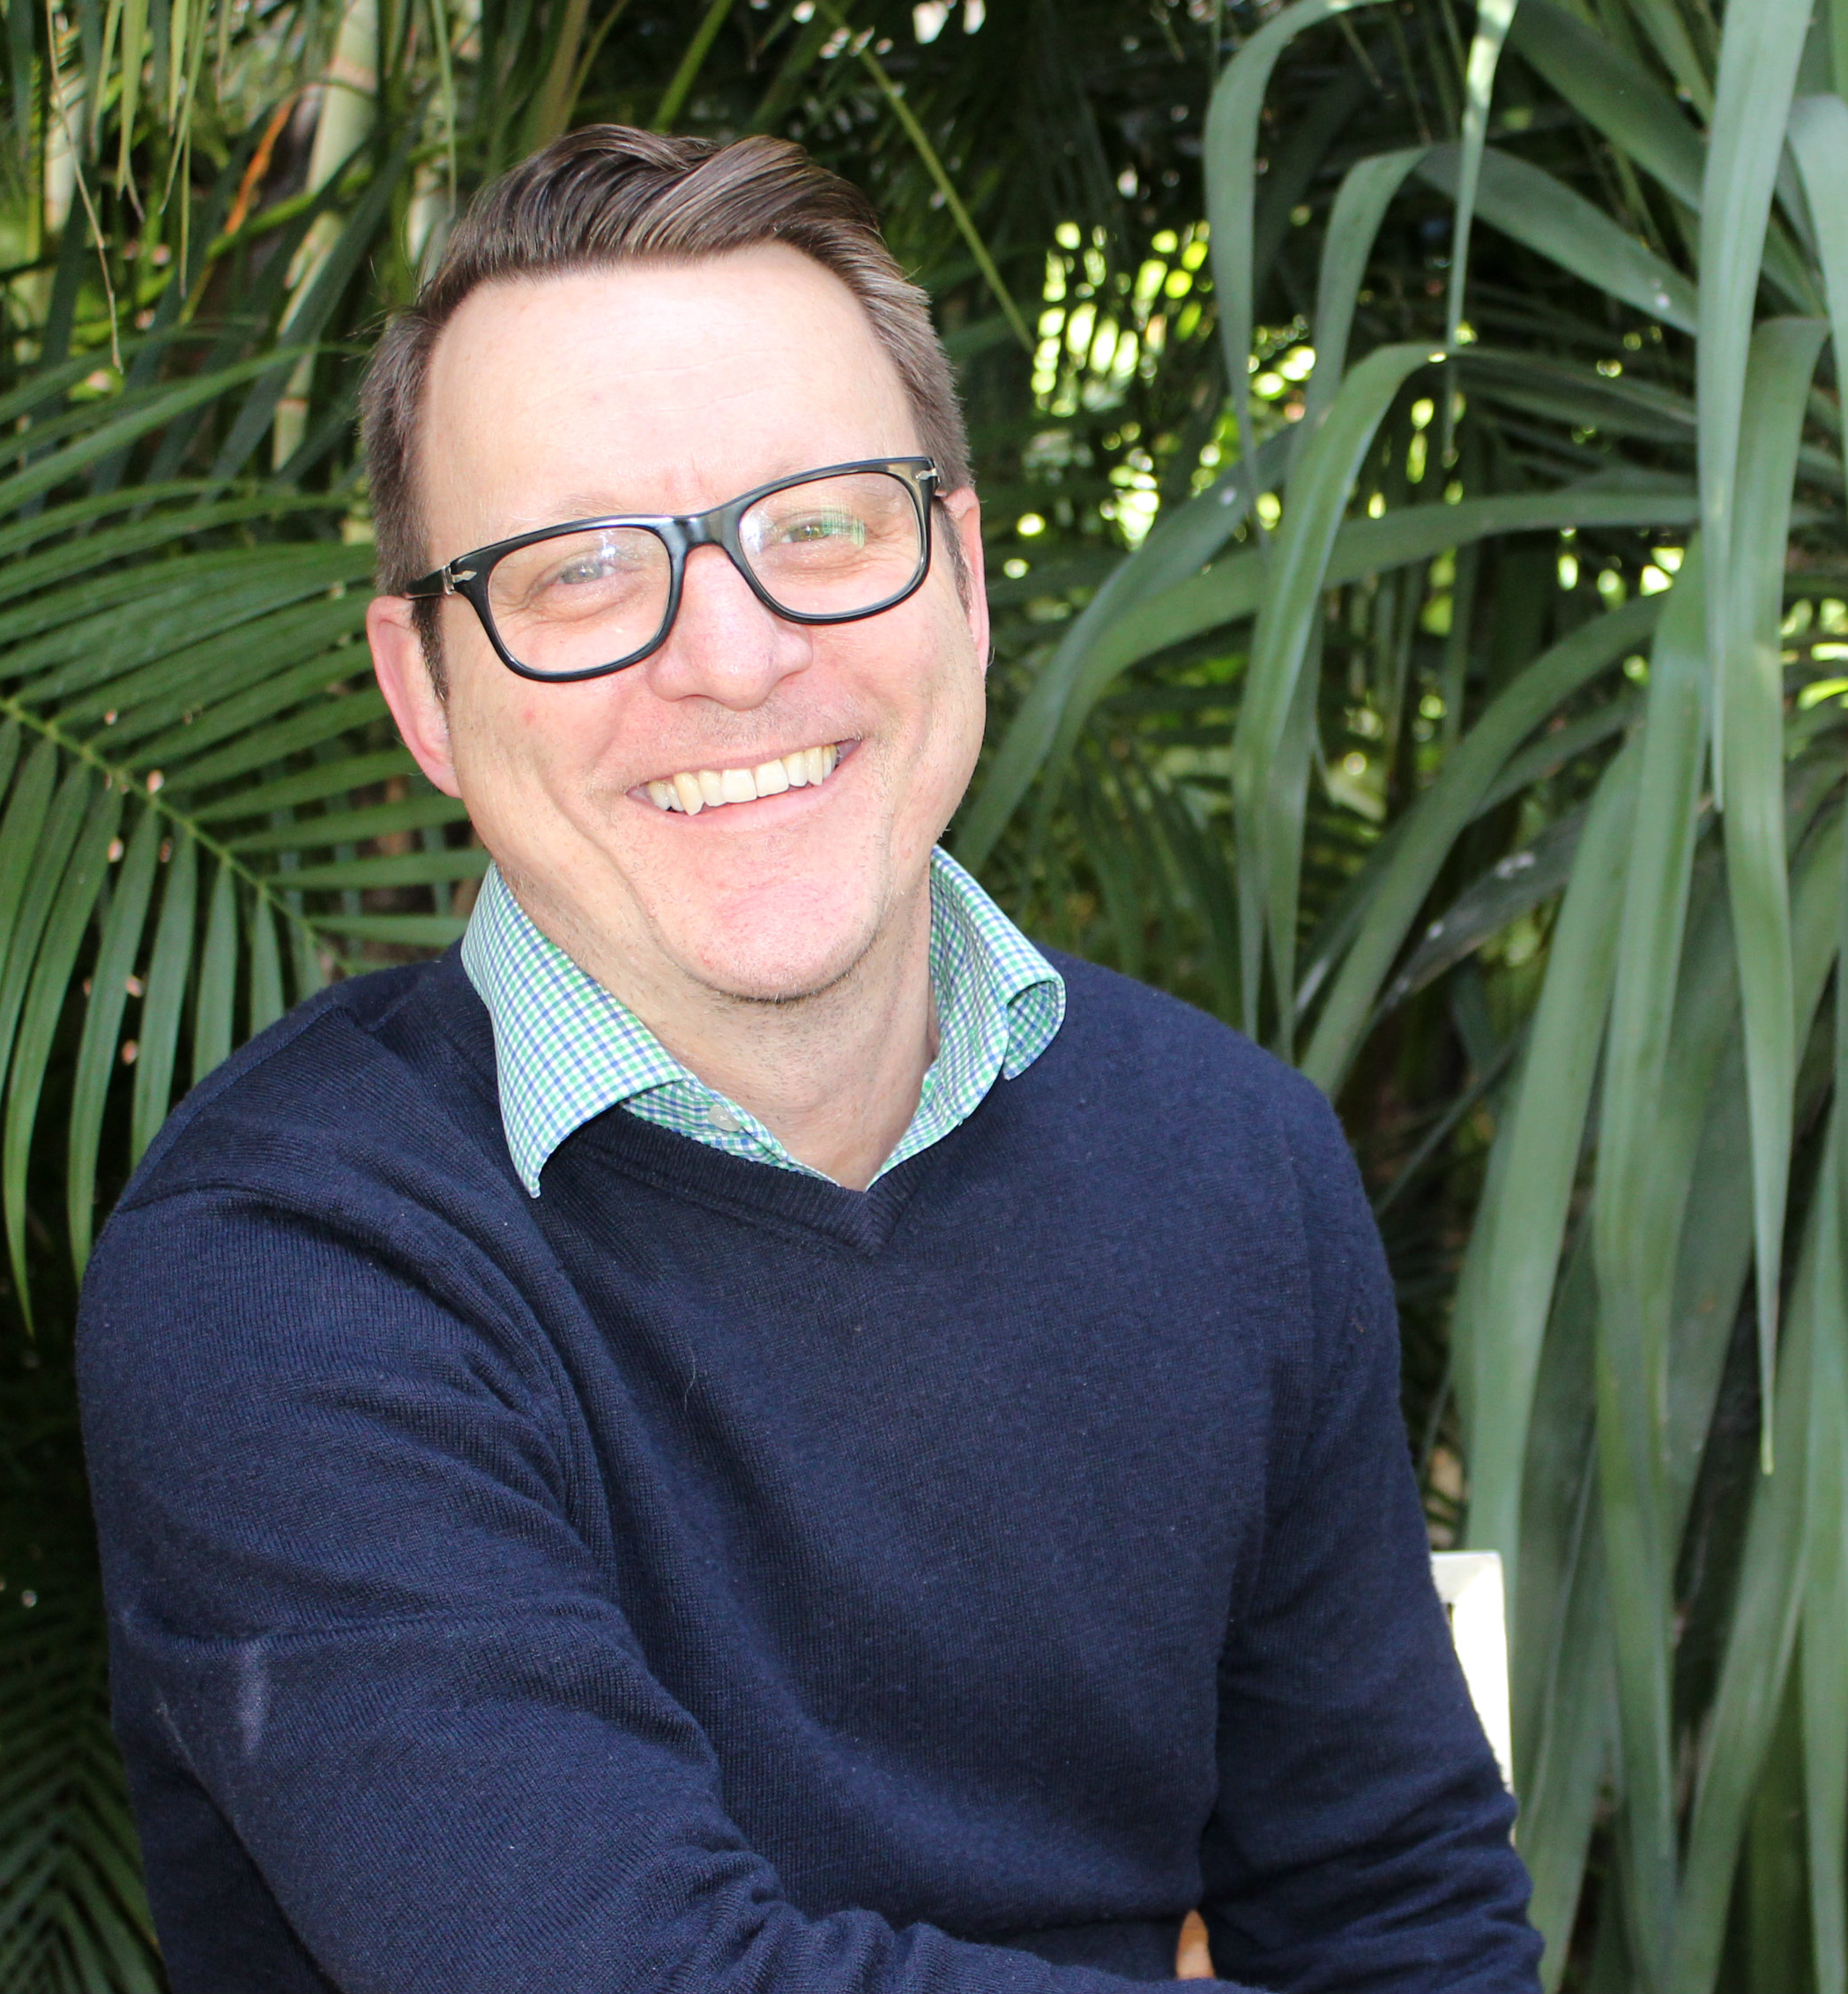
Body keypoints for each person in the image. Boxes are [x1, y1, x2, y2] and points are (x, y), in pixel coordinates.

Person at [77, 124, 1537, 1994]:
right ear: (420, 690)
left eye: (821, 525)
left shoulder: (1231, 1164)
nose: (732, 654)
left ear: (965, 580)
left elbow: (1396, 1915)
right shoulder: (285, 1279)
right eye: (578, 571)